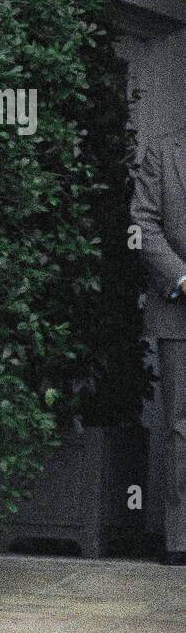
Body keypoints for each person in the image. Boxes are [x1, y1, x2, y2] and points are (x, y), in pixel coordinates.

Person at [130, 127, 186, 566]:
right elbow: (143, 223)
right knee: (182, 424)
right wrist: (181, 279)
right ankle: (181, 538)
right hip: (179, 312)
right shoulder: (163, 151)